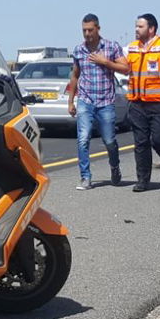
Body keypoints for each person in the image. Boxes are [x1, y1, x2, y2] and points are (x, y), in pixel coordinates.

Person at [92, 13, 160, 192]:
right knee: (140, 143)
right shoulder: (131, 48)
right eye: (136, 26)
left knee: (159, 140)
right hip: (138, 104)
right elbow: (119, 63)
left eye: (140, 27)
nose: (136, 30)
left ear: (151, 29)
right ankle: (143, 180)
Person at [67, 13, 125, 189]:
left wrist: (105, 61)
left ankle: (114, 167)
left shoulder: (111, 46)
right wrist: (71, 101)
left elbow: (126, 68)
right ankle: (85, 177)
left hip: (105, 101)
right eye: (84, 30)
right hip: (85, 100)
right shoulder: (79, 50)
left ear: (98, 28)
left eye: (90, 30)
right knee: (83, 139)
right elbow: (75, 75)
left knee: (109, 140)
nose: (87, 34)